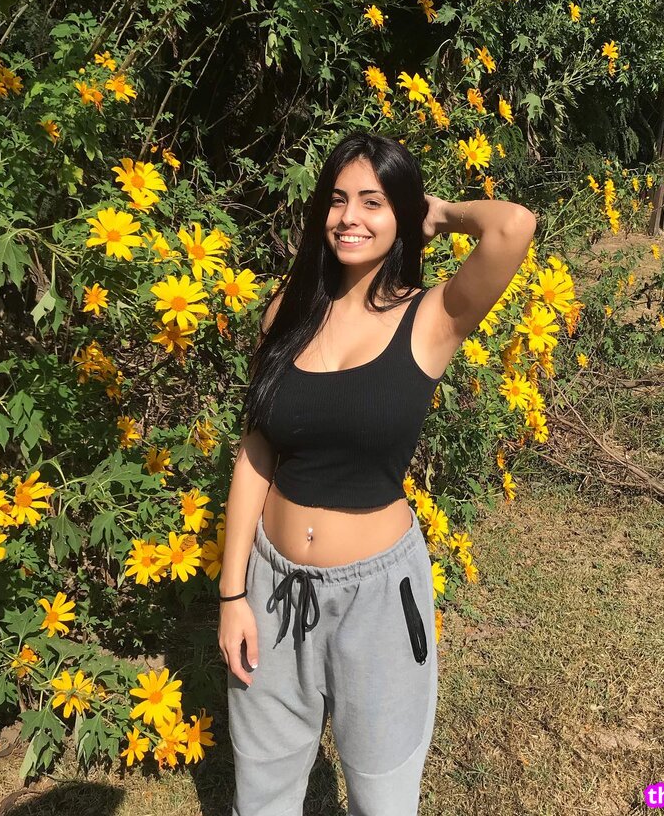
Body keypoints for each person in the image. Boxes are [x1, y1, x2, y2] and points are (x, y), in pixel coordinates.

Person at [219, 130, 537, 816]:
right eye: (337, 200)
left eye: (372, 201)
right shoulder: (288, 312)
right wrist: (232, 592)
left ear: (401, 215)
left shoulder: (431, 318)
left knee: (381, 789)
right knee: (262, 783)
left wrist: (439, 212)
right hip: (273, 586)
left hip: (378, 599)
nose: (349, 217)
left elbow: (513, 226)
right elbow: (257, 453)